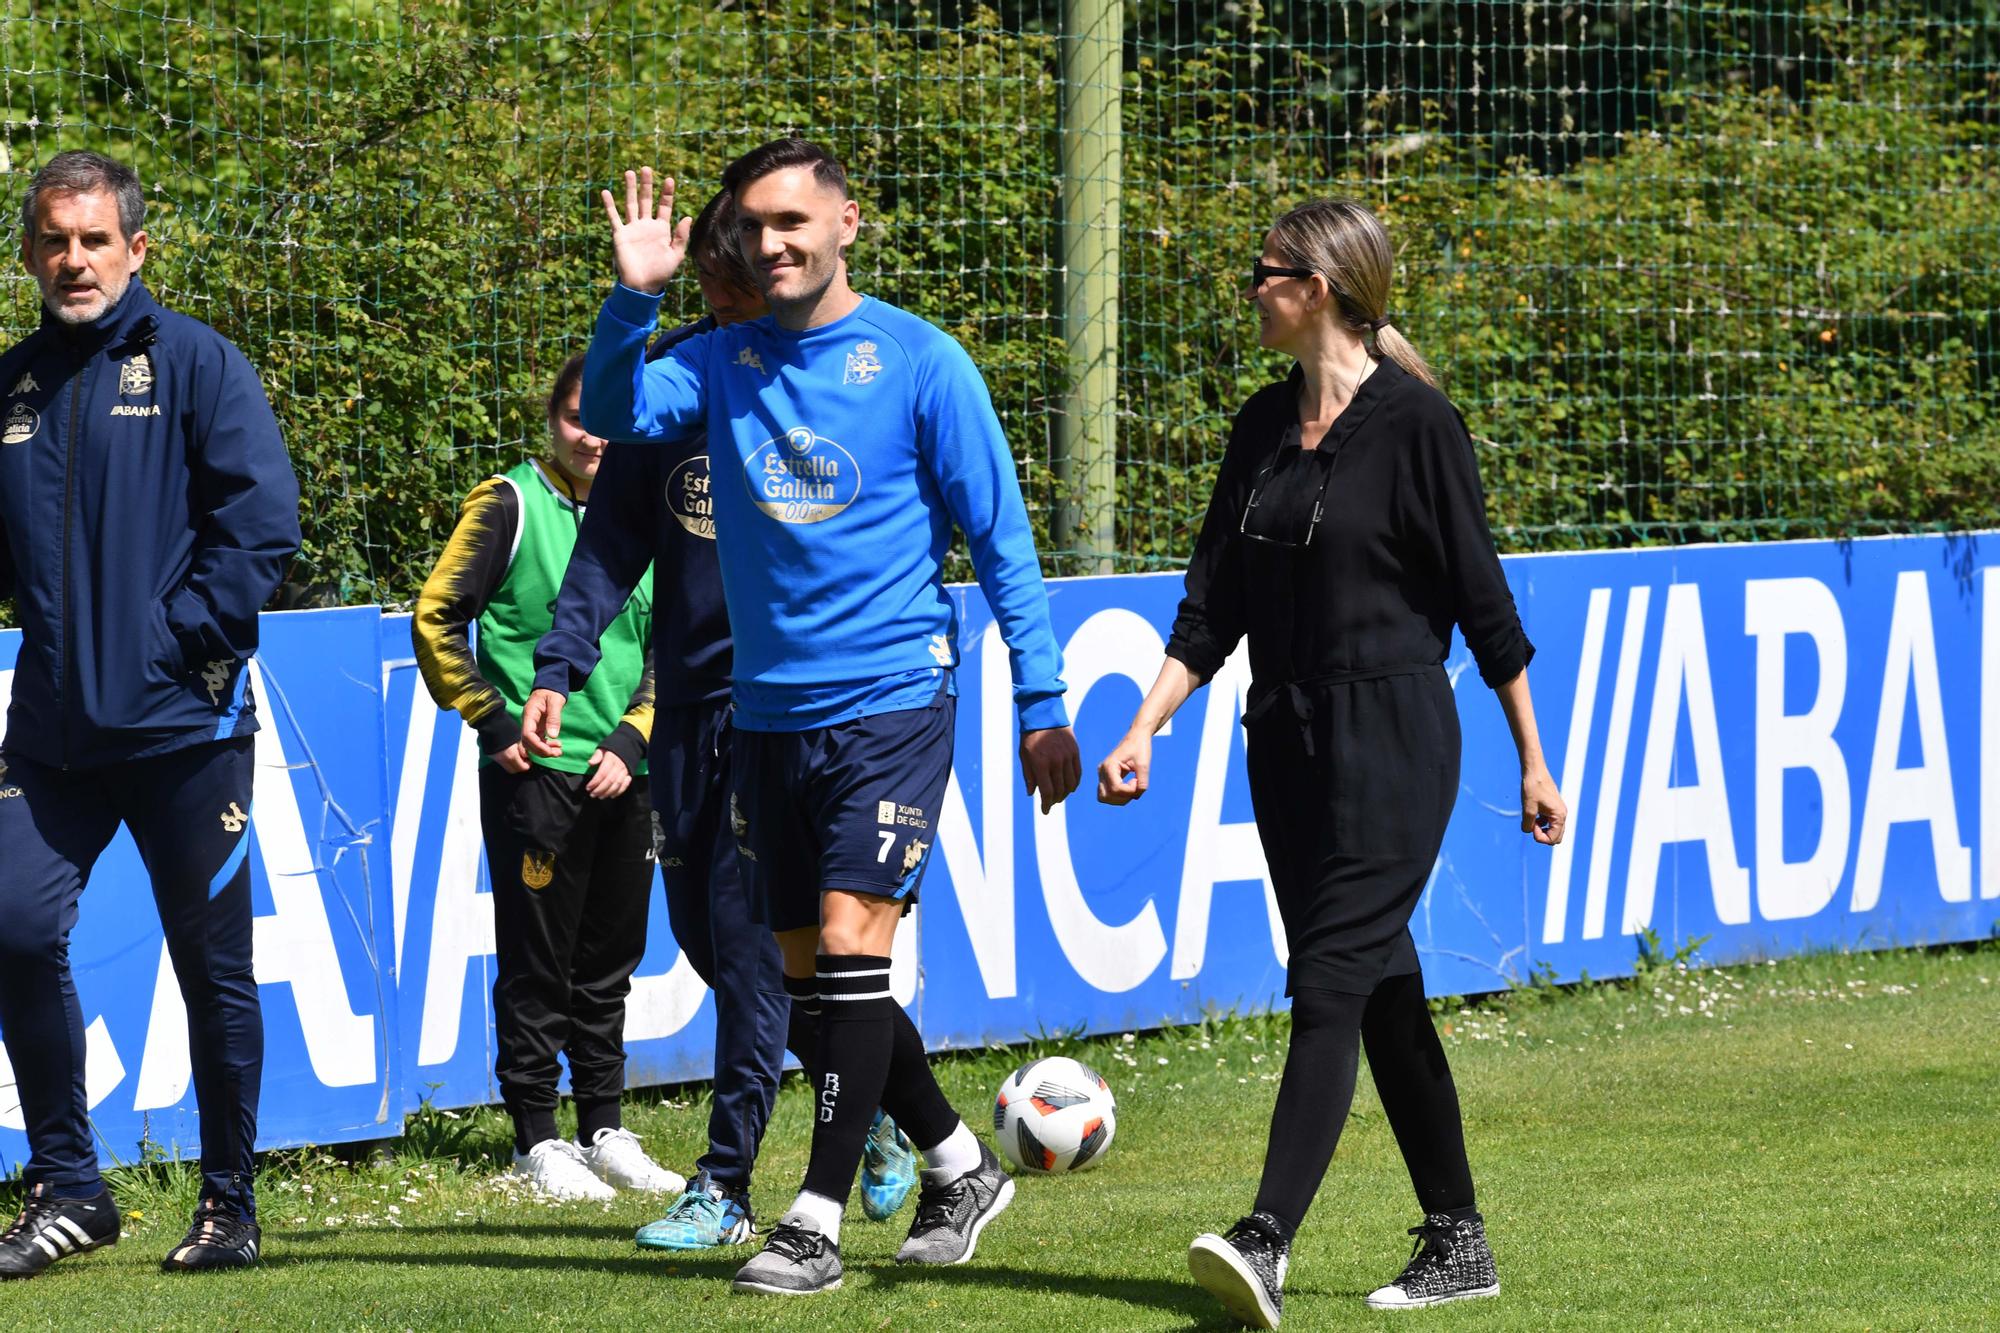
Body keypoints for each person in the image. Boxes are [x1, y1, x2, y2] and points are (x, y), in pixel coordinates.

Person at [538, 139, 1080, 1296]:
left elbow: (1003, 545)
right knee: (812, 985)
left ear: (846, 224)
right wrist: (632, 294)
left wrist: (1042, 701)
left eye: (794, 221)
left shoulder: (922, 365)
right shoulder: (720, 362)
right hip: (763, 720)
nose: (774, 243)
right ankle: (956, 1160)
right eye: (754, 227)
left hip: (890, 700)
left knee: (845, 947)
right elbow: (622, 416)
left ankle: (811, 1219)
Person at [1095, 199, 1568, 1328]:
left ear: (1317, 288)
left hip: (1394, 736)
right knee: (1379, 992)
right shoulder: (1260, 426)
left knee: (1324, 984)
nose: (1247, 289)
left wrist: (1534, 762)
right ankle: (1457, 1239)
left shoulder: (1417, 426)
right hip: (1285, 741)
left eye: (1262, 272)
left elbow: (1482, 604)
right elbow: (1210, 604)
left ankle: (1265, 1235)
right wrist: (1145, 722)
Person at [529, 187, 918, 1252]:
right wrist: (563, 661)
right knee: (712, 943)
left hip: (777, 714)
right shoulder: (678, 384)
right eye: (706, 275)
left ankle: (725, 1183)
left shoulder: (832, 374)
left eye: (732, 271)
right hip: (684, 716)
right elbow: (611, 543)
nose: (723, 288)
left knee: (757, 954)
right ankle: (882, 1109)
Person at [0, 150, 301, 1277]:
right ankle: (71, 1186)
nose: (72, 259)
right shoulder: (13, 386)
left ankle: (229, 1204)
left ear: (136, 248)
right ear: (29, 253)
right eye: (51, 239)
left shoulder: (198, 363)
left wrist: (177, 644)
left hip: (187, 732)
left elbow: (261, 524)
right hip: (52, 736)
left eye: (93, 239)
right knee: (13, 925)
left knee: (211, 968)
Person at [412, 354, 683, 1203]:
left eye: (606, 420)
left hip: (622, 773)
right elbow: (436, 616)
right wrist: (492, 720)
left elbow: (677, 637)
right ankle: (536, 1137)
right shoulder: (509, 504)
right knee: (538, 964)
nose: (593, 435)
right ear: (550, 421)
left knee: (610, 963)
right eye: (576, 418)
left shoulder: (649, 506)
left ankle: (603, 1127)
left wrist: (633, 740)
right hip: (538, 776)